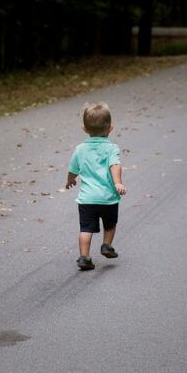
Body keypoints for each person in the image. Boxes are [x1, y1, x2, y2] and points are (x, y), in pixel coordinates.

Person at [65, 102, 126, 270]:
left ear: (84, 128)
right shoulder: (111, 148)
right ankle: (106, 245)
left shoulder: (80, 149)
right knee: (110, 224)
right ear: (110, 128)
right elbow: (115, 165)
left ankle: (84, 257)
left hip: (87, 199)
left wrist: (70, 180)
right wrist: (118, 182)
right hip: (108, 198)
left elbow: (72, 169)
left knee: (86, 229)